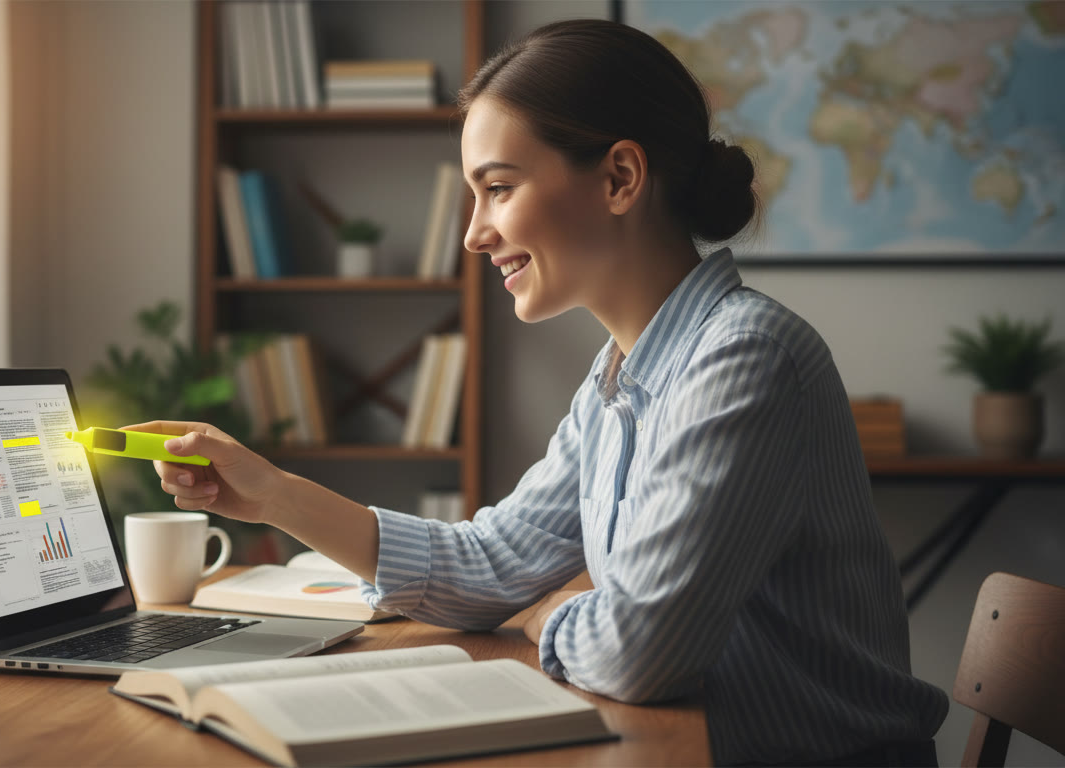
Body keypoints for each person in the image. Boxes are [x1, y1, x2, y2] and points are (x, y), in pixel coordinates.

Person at [124, 19, 948, 767]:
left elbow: (639, 652)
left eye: (499, 188)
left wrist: (543, 614)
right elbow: (493, 563)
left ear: (620, 177)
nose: (473, 233)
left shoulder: (744, 360)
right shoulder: (619, 376)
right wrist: (271, 494)